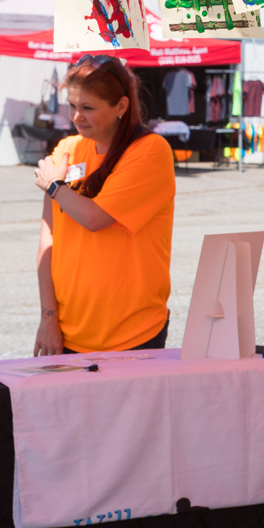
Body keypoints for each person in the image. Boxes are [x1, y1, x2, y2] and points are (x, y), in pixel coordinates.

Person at [33, 56, 176, 353]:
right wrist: (48, 316)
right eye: (72, 105)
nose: (76, 116)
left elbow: (95, 218)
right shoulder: (68, 149)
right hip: (69, 331)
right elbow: (48, 237)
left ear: (121, 107)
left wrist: (54, 186)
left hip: (132, 335)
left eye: (88, 108)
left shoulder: (149, 151)